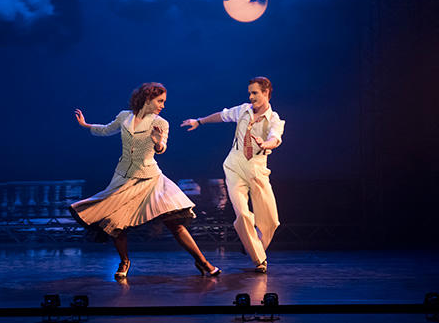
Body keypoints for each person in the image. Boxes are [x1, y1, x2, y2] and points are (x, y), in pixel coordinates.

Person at [70, 82, 220, 278]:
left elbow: (162, 147)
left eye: (164, 101)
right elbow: (107, 129)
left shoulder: (161, 123)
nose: (163, 105)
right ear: (147, 99)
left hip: (150, 179)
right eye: (160, 101)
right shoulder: (125, 116)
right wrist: (85, 125)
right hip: (123, 177)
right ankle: (124, 262)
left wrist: (158, 143)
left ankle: (203, 262)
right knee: (115, 222)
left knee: (174, 223)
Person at [181, 77, 285, 273]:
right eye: (250, 93)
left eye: (255, 93)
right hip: (234, 165)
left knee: (271, 221)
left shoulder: (274, 120)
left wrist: (265, 144)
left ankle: (252, 245)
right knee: (243, 214)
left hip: (257, 169)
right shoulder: (243, 110)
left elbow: (275, 138)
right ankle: (259, 260)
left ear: (266, 93)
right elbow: (221, 115)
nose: (251, 96)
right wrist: (199, 122)